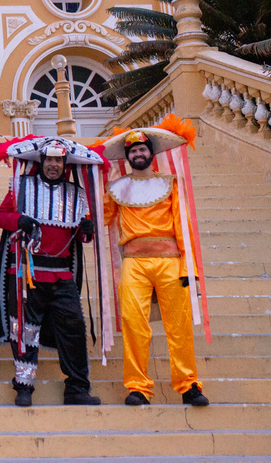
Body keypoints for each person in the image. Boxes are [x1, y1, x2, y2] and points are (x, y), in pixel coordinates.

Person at [0, 135, 114, 407]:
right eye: (49, 160)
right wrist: (19, 220)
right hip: (26, 274)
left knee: (74, 329)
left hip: (62, 277)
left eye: (59, 160)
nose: (54, 165)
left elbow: (81, 237)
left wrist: (87, 231)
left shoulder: (77, 194)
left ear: (65, 164)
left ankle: (77, 388)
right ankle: (24, 387)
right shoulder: (20, 186)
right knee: (24, 331)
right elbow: (0, 217)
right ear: (42, 161)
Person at [100, 116, 211, 407]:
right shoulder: (117, 188)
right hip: (134, 263)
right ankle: (138, 387)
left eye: (142, 150)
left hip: (170, 261)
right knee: (134, 324)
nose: (138, 154)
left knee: (179, 325)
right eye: (133, 151)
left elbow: (182, 225)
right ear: (128, 157)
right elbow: (101, 217)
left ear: (151, 153)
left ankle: (188, 384)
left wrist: (190, 268)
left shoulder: (170, 184)